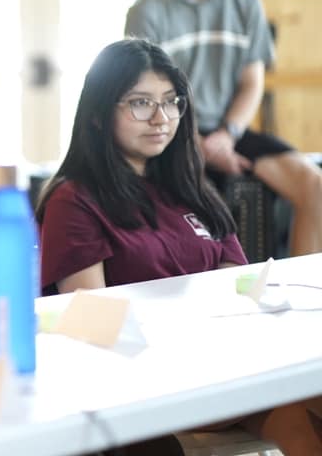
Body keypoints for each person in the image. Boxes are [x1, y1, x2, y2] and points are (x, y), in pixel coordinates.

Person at [38, 38, 322, 455]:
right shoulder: (74, 200)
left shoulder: (188, 186)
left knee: (304, 421)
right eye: (140, 103)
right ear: (99, 115)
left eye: (172, 102)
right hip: (149, 378)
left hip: (227, 362)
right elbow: (96, 325)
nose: (160, 117)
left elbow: (240, 284)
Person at [125, 0, 322, 257]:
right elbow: (146, 96)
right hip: (172, 135)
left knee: (314, 184)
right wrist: (198, 146)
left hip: (231, 130)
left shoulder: (246, 2)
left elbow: (252, 83)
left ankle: (304, 293)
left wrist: (226, 137)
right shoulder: (147, 11)